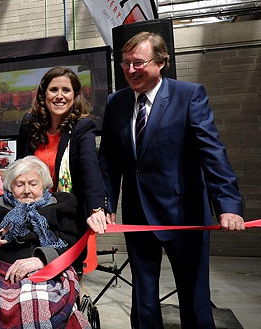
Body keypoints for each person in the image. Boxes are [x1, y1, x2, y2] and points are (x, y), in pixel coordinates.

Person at [98, 31, 245, 329]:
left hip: (184, 214)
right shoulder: (116, 102)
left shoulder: (189, 95)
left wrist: (228, 205)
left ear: (162, 62)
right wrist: (105, 203)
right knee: (144, 299)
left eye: (138, 62)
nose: (130, 70)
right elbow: (109, 161)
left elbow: (212, 153)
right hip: (139, 216)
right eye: (125, 63)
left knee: (194, 299)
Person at [0, 156, 90, 329]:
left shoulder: (62, 204)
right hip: (0, 273)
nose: (27, 190)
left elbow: (74, 243)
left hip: (49, 272)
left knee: (39, 304)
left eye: (33, 184)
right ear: (10, 187)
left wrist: (41, 260)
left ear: (45, 185)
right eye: (20, 184)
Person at [17, 66, 107, 230]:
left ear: (75, 95)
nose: (59, 96)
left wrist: (97, 208)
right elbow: (19, 167)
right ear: (44, 95)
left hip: (68, 217)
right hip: (32, 214)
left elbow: (90, 168)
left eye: (66, 90)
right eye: (53, 90)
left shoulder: (82, 127)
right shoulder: (29, 123)